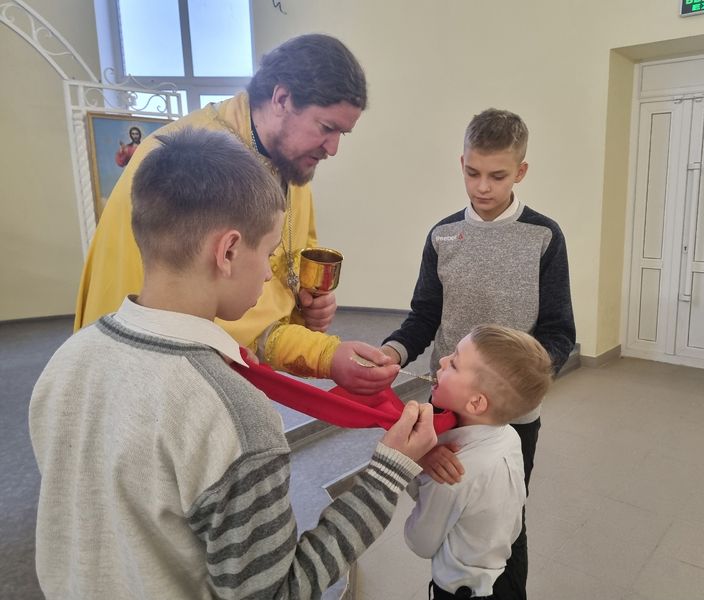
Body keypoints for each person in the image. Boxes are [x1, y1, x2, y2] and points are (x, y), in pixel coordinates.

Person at [30, 128, 438, 600]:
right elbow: (275, 592)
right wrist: (387, 474)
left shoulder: (68, 360)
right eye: (268, 253)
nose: (268, 273)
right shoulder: (232, 417)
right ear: (227, 252)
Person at [75, 33, 398, 395]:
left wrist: (305, 303)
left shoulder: (289, 159)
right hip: (154, 377)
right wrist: (322, 354)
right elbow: (207, 313)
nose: (333, 148)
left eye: (343, 133)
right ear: (281, 98)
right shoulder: (197, 165)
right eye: (326, 128)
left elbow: (289, 267)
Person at [382, 108, 576, 597]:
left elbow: (559, 332)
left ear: (521, 171)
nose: (482, 187)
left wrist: (516, 383)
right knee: (444, 506)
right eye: (472, 173)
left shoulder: (544, 236)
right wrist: (394, 352)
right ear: (461, 163)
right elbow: (424, 314)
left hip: (512, 415)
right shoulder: (442, 235)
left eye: (497, 176)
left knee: (505, 521)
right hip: (448, 407)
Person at [404, 325, 552, 599]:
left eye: (454, 363)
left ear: (475, 403)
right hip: (502, 577)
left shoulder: (451, 471)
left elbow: (420, 542)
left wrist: (412, 463)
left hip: (457, 590)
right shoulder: (510, 436)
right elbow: (513, 526)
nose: (442, 360)